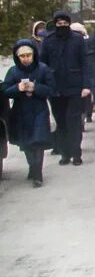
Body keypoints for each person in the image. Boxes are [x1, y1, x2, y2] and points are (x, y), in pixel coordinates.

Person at [1, 39, 55, 187]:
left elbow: (51, 89)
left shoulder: (43, 69)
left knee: (38, 141)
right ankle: (32, 166)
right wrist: (18, 88)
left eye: (28, 55)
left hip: (39, 110)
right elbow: (5, 91)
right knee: (26, 143)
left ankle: (38, 173)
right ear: (17, 57)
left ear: (34, 54)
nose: (26, 59)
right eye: (22, 56)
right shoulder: (13, 71)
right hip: (20, 112)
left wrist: (35, 88)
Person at [40, 10, 90, 166]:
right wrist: (45, 85)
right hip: (56, 88)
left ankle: (76, 153)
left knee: (73, 121)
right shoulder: (48, 41)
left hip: (75, 87)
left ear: (69, 23)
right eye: (59, 23)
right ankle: (64, 153)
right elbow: (43, 64)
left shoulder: (78, 40)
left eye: (65, 23)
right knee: (61, 122)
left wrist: (86, 85)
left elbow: (85, 63)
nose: (62, 26)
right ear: (55, 24)